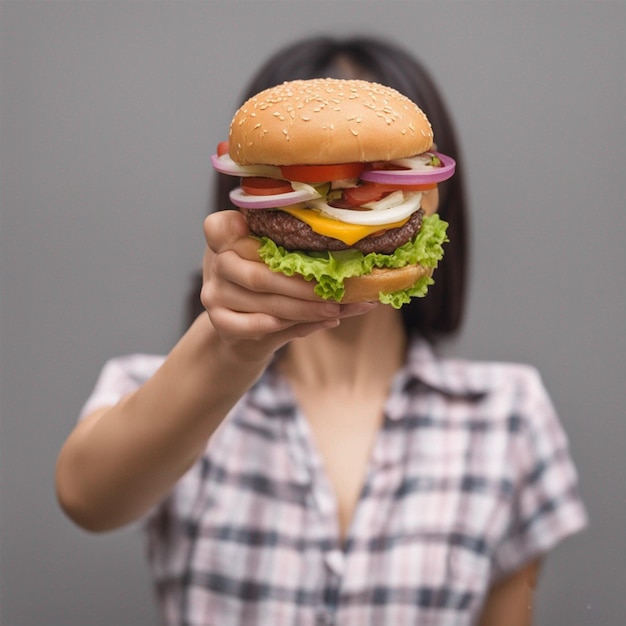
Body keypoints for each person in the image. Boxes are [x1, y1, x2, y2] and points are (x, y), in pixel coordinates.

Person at [55, 36, 587, 626]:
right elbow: (87, 500)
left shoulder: (509, 412)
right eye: (315, 180)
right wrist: (227, 349)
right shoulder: (158, 387)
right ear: (250, 190)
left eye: (384, 176)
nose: (345, 197)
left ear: (433, 191)